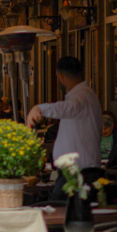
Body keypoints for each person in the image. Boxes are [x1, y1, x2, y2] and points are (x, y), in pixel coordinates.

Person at [26, 56, 102, 198]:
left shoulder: (83, 96)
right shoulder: (86, 95)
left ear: (60, 77)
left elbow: (68, 108)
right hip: (77, 172)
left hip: (80, 173)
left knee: (60, 212)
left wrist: (39, 108)